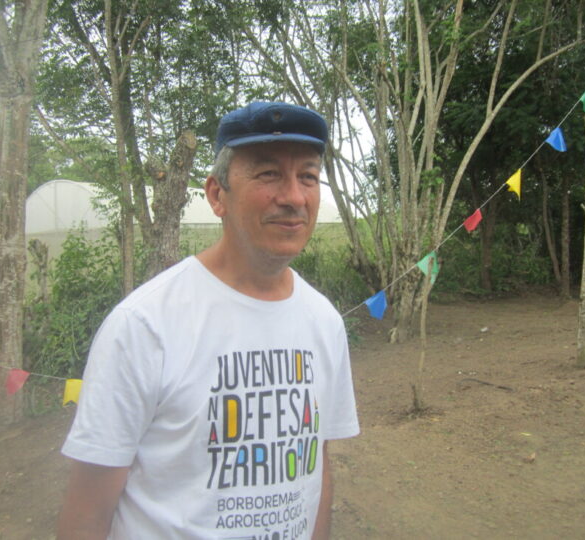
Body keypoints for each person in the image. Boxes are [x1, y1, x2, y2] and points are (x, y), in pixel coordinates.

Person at [57, 102, 360, 539]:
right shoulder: (144, 326)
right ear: (218, 194)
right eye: (268, 174)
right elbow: (87, 511)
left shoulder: (324, 321)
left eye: (308, 176)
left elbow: (318, 466)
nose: (294, 197)